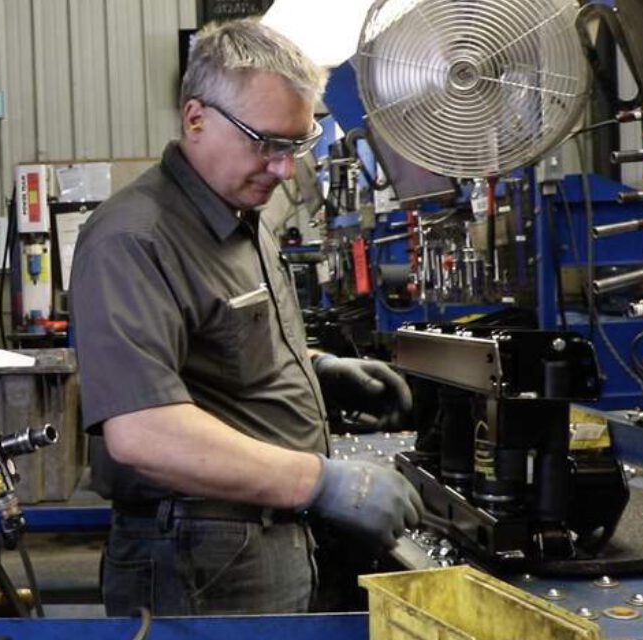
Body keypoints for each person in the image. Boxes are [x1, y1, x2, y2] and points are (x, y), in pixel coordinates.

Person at [70, 18, 422, 617]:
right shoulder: (133, 239)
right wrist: (326, 483)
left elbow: (216, 348)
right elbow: (143, 432)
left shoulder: (237, 215)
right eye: (267, 143)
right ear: (195, 118)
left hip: (267, 537)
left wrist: (318, 369)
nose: (285, 170)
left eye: (297, 145)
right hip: (201, 561)